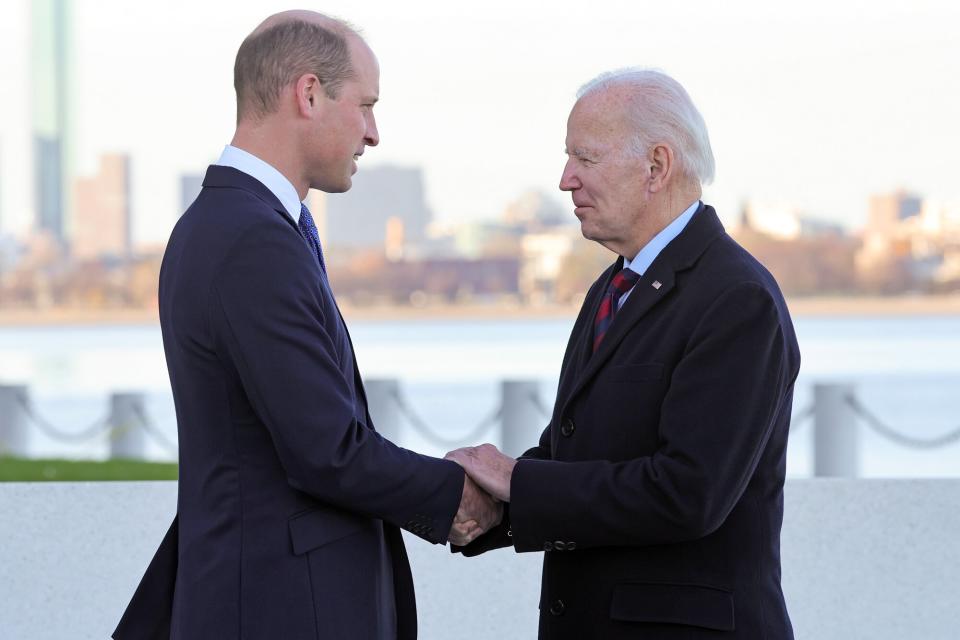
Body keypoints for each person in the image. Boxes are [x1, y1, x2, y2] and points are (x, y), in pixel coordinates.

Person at [112, 11, 499, 640]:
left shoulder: (232, 224)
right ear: (309, 93)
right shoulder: (251, 239)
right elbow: (326, 450)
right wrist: (461, 495)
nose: (373, 134)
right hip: (279, 608)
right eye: (366, 105)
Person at [447, 69, 801, 639]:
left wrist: (519, 484)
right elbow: (583, 454)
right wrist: (492, 508)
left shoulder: (737, 298)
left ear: (656, 167)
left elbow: (688, 494)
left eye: (584, 159)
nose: (565, 180)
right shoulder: (616, 286)